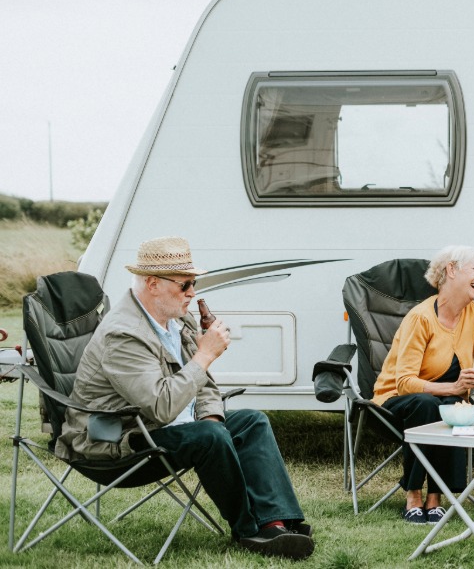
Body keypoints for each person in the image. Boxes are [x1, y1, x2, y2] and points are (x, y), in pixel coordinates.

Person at [59, 237, 314, 560]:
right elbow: (162, 406)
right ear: (153, 284)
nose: (193, 293)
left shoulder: (178, 318)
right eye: (185, 285)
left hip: (167, 426)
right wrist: (205, 355)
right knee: (208, 437)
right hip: (118, 441)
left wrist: (211, 415)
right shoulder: (123, 334)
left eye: (194, 283)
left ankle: (279, 521)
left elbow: (204, 385)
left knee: (251, 420)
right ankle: (250, 531)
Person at [371, 246, 474, 525]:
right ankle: (413, 494)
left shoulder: (472, 312)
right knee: (430, 404)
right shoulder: (420, 317)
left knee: (454, 407)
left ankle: (436, 496)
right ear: (451, 270)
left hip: (442, 400)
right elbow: (404, 383)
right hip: (396, 402)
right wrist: (453, 388)